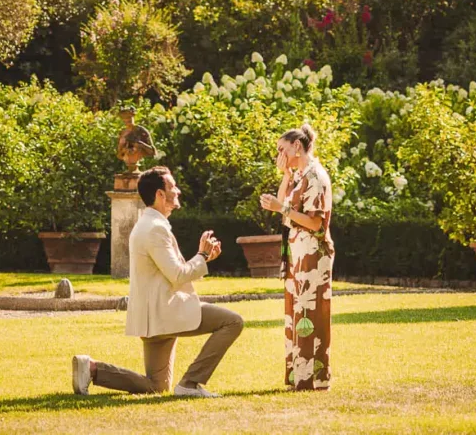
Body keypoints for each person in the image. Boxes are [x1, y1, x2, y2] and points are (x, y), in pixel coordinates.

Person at [72, 166, 244, 399]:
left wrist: (203, 257)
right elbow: (177, 274)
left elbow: (172, 271)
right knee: (232, 322)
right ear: (160, 195)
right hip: (165, 313)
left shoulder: (150, 225)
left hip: (154, 317)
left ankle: (92, 368)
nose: (178, 191)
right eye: (173, 187)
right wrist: (202, 256)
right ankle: (191, 383)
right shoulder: (155, 229)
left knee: (156, 386)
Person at [260, 123, 333, 390]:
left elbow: (315, 223)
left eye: (282, 149)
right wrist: (285, 175)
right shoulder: (300, 175)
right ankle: (299, 376)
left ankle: (313, 378)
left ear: (297, 146)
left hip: (314, 256)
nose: (279, 154)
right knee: (297, 313)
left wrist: (283, 208)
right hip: (298, 254)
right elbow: (283, 209)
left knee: (310, 313)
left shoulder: (315, 176)